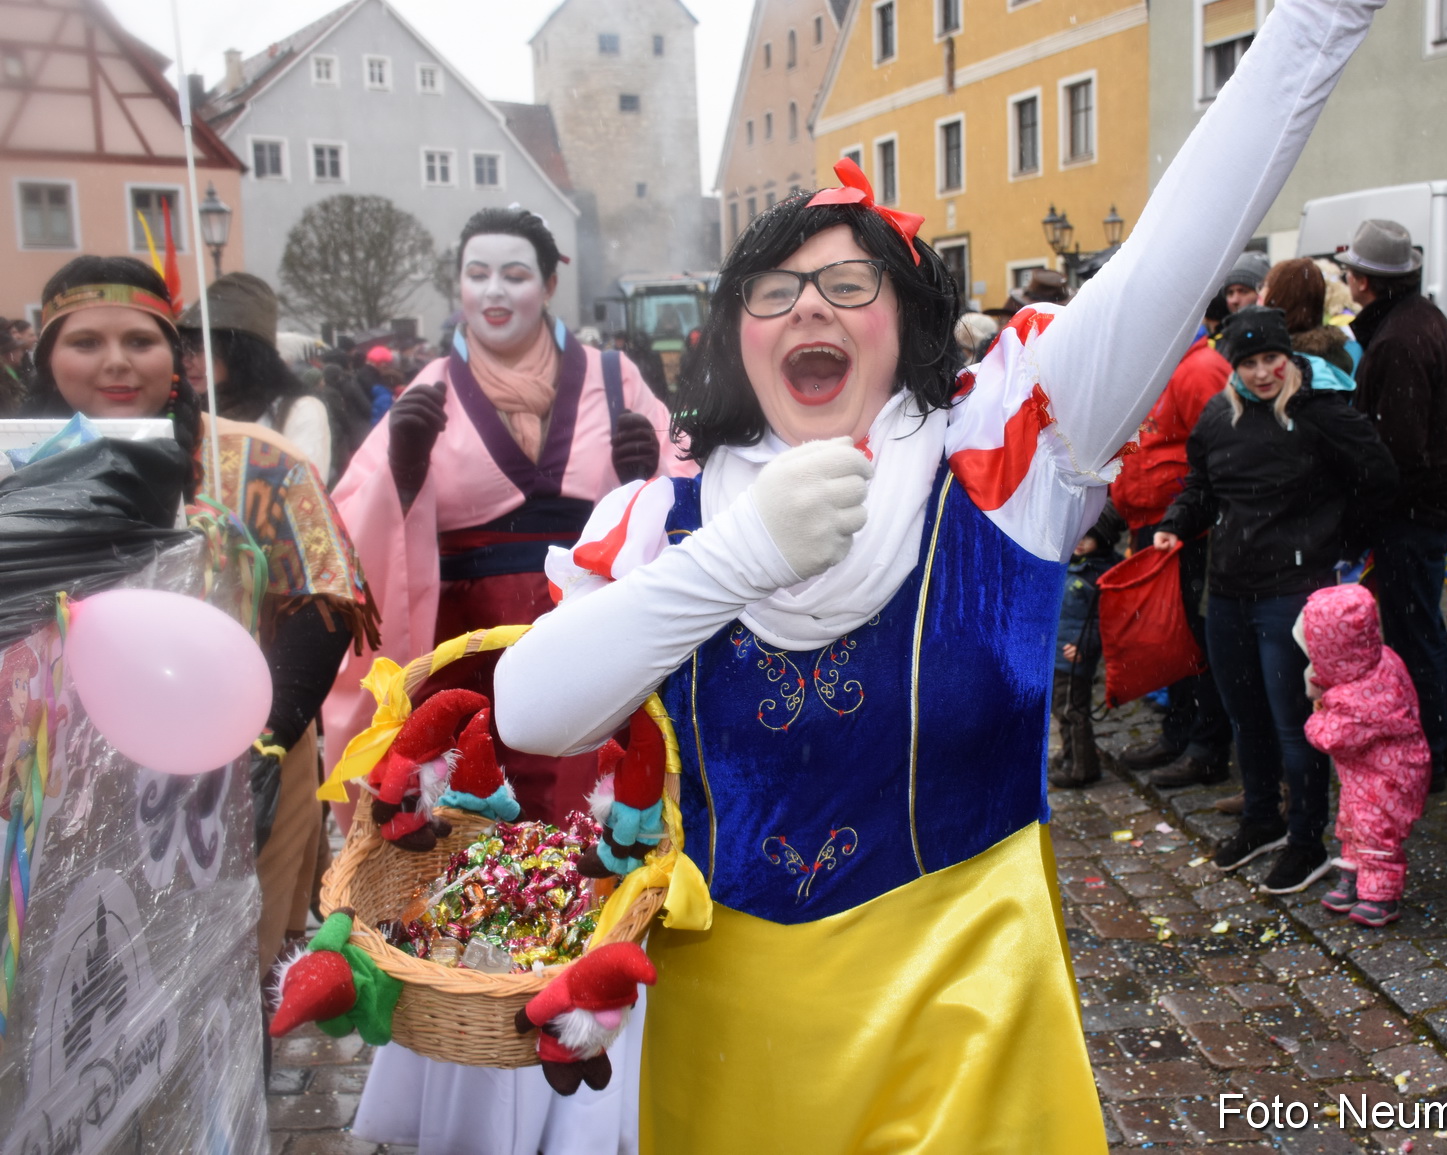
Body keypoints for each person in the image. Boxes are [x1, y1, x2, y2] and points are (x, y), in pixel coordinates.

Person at [489, 2, 1385, 1147]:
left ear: (908, 323)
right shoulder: (664, 523)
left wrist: (1315, 21)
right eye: (775, 288)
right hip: (738, 1042)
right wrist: (737, 555)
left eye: (849, 283)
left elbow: (1174, 254)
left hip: (971, 1027)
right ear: (735, 335)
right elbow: (534, 711)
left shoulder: (1006, 458)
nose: (809, 303)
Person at [337, 207, 690, 1155]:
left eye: (516, 274)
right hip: (475, 670)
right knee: (476, 867)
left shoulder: (619, 381)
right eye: (477, 273)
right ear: (457, 284)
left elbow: (692, 515)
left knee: (598, 864)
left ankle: (589, 1103)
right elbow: (359, 541)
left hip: (593, 660)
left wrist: (646, 481)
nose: (495, 292)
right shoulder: (429, 392)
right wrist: (399, 478)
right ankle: (474, 1077)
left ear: (550, 282)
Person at [23, 255, 375, 989]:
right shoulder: (15, 470)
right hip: (53, 792)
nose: (116, 362)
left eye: (140, 341)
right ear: (46, 354)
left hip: (240, 779)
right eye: (85, 342)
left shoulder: (258, 463)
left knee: (228, 993)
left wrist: (260, 744)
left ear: (176, 358)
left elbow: (327, 602)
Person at [1152, 306, 1397, 895]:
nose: (1262, 373)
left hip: (1291, 594)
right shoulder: (1218, 414)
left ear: (1290, 358)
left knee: (1295, 725)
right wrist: (1176, 523)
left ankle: (1306, 839)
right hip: (1230, 590)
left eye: (1272, 360)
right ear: (1233, 366)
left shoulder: (1319, 411)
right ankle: (1263, 820)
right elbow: (1203, 488)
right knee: (1246, 720)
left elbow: (1380, 477)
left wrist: (1340, 542)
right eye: (1250, 362)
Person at [1336, 219, 1447, 792]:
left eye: (1350, 270)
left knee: (1415, 633)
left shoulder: (1397, 339)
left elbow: (1398, 452)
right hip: (1420, 510)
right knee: (1419, 629)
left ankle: (1435, 752)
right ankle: (1439, 748)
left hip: (1412, 515)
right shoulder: (1416, 320)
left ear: (1364, 280)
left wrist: (1362, 516)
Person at [1113, 323, 1234, 788]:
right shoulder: (1163, 363)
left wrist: (1184, 519)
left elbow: (1218, 455)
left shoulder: (1197, 368)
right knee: (1172, 637)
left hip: (1185, 528)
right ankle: (1180, 732)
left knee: (1194, 640)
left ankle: (1206, 746)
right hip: (1158, 525)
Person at [1296, 583, 1429, 927]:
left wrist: (1317, 713)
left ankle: (1382, 894)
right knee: (1352, 824)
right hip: (1364, 774)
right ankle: (1354, 878)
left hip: (1389, 776)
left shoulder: (1361, 696)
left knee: (1375, 831)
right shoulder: (1376, 659)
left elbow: (1330, 737)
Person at [179, 272, 335, 480]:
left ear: (241, 354)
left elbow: (303, 495)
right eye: (183, 349)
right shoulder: (185, 410)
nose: (186, 362)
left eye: (200, 349)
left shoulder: (298, 411)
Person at [1051, 503, 1124, 788]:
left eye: (1087, 537)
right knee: (1062, 707)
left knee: (1072, 709)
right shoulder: (1075, 564)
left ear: (1102, 539)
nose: (1079, 542)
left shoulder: (1100, 575)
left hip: (1074, 655)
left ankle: (1082, 767)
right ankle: (1072, 755)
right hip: (1059, 651)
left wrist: (1086, 646)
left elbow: (1106, 621)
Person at [1263, 258, 1356, 373]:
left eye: (1265, 286)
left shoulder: (1284, 362)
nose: (1260, 293)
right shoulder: (1335, 356)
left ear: (1279, 297)